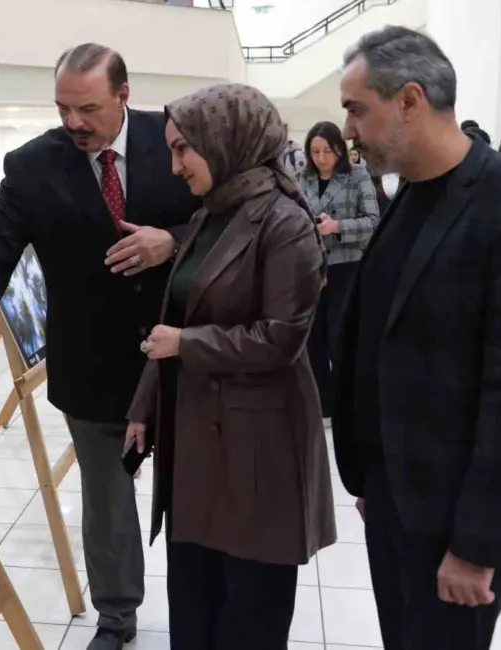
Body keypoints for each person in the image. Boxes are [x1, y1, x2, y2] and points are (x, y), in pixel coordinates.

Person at [0, 43, 198, 650]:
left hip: (183, 356)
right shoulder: (32, 166)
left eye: (88, 109)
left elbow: (228, 218)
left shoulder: (176, 139)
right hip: (90, 366)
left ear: (123, 95)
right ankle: (117, 616)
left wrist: (172, 241)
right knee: (106, 500)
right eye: (63, 108)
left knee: (195, 495)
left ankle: (201, 613)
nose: (74, 122)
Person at [336, 27, 501, 650]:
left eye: (357, 110)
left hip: (459, 519)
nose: (350, 130)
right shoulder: (410, 194)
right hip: (396, 495)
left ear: (410, 100)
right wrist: (373, 479)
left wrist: (476, 548)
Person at [125, 83, 336, 650]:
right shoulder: (208, 216)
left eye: (183, 149)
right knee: (195, 605)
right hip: (196, 443)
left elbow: (281, 338)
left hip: (258, 449)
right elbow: (175, 317)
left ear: (225, 142)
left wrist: (188, 345)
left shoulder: (285, 223)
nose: (175, 166)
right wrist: (145, 405)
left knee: (249, 612)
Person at [297, 122, 379, 419]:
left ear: (340, 150)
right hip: (311, 268)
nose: (321, 158)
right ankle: (323, 402)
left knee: (340, 337)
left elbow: (373, 221)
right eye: (315, 151)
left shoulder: (357, 175)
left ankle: (348, 400)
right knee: (312, 337)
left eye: (327, 151)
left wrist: (337, 226)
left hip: (346, 266)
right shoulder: (301, 178)